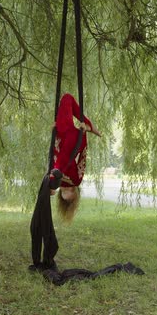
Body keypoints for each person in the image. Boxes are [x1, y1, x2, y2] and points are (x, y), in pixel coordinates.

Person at [49, 93, 101, 221]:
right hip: (72, 141)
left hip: (61, 136)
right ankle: (90, 127)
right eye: (70, 191)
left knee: (67, 99)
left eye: (64, 192)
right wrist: (83, 135)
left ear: (60, 193)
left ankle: (91, 127)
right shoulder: (76, 180)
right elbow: (82, 160)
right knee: (67, 99)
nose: (66, 189)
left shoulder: (55, 180)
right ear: (75, 192)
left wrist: (54, 134)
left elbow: (52, 156)